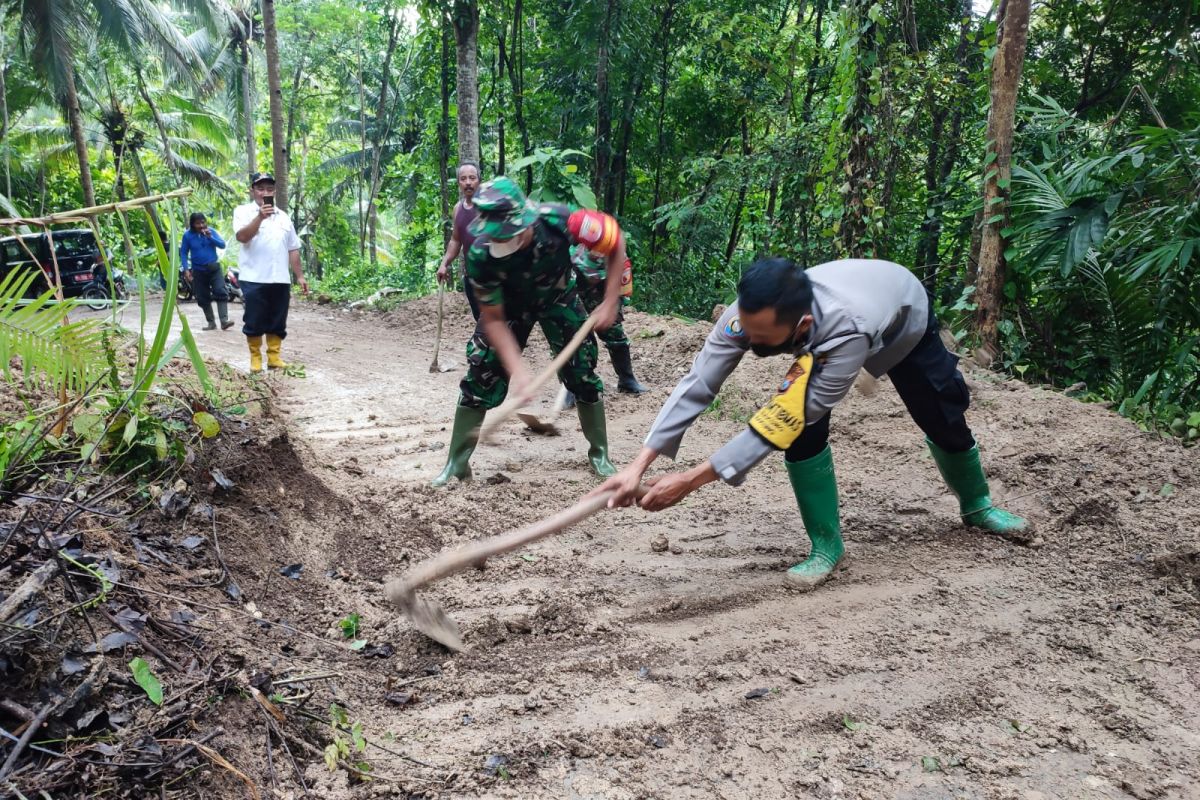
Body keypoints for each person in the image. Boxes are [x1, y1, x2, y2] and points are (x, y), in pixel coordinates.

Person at [592, 257, 1028, 591]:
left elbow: (785, 419)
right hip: (837, 321)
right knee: (803, 436)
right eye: (745, 329)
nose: (749, 340)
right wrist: (638, 466)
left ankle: (978, 505)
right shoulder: (747, 315)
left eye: (761, 338)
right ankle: (827, 545)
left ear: (801, 325)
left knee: (940, 412)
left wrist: (690, 480)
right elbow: (697, 384)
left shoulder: (845, 330)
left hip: (901, 319)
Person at [431, 176, 626, 487]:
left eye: (508, 235)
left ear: (525, 222)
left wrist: (611, 300)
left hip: (558, 297)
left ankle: (599, 454)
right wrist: (519, 371)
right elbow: (493, 319)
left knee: (583, 373)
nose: (501, 243)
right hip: (508, 307)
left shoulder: (559, 220)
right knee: (481, 371)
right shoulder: (481, 253)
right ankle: (456, 464)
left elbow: (615, 240)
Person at [232, 172, 308, 371]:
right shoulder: (243, 212)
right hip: (253, 277)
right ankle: (255, 358)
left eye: (269, 189)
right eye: (260, 188)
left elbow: (293, 247)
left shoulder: (283, 217)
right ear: (253, 190)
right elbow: (242, 237)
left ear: (274, 191)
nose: (265, 192)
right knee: (254, 318)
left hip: (280, 278)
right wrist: (260, 217)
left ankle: (274, 357)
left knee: (278, 318)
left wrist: (299, 275)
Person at [560, 244, 648, 407]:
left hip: (606, 293)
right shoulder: (573, 257)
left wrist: (611, 308)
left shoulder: (619, 259)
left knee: (615, 334)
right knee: (573, 341)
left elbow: (622, 290)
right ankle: (571, 388)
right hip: (577, 293)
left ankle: (627, 380)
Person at [436, 162, 482, 320]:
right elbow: (456, 241)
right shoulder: (458, 209)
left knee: (494, 324)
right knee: (481, 320)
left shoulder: (489, 206)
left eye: (472, 178)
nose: (468, 182)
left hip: (493, 277)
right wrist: (444, 264)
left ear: (479, 180)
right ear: (459, 183)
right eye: (463, 179)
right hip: (471, 277)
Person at [179, 212, 233, 331]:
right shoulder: (187, 236)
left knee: (220, 291)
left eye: (203, 222)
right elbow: (183, 252)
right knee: (202, 297)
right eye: (198, 223)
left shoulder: (211, 231)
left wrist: (210, 237)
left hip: (214, 268)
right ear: (193, 224)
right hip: (198, 271)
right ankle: (211, 322)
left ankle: (224, 321)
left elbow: (222, 245)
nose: (201, 225)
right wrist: (186, 269)